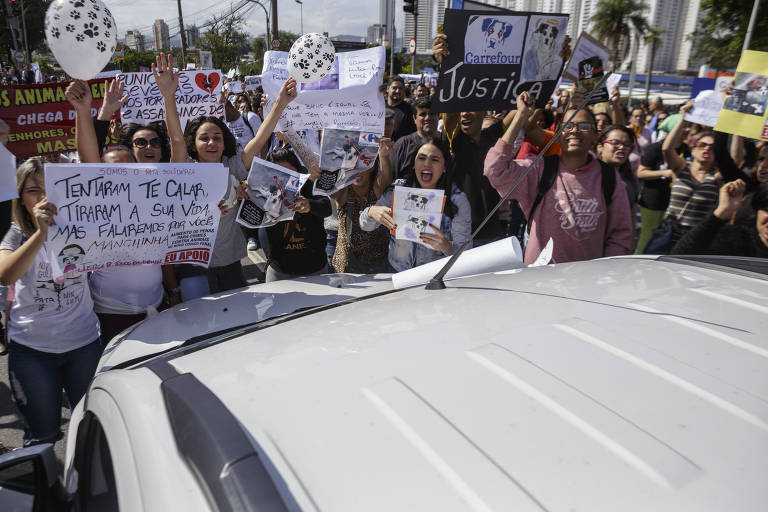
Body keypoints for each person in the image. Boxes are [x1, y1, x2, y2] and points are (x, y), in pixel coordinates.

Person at [0, 158, 102, 446]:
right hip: (32, 351)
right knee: (42, 435)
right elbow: (6, 274)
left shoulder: (83, 224)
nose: (43, 198)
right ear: (20, 198)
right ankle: (49, 489)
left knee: (91, 430)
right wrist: (41, 234)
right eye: (33, 190)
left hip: (83, 345)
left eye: (51, 188)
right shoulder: (14, 233)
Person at [171, 77, 299, 297]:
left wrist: (280, 103)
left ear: (224, 141)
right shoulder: (184, 170)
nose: (211, 143)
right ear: (193, 143)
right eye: (204, 138)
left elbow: (259, 140)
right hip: (195, 265)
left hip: (231, 263)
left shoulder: (232, 166)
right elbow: (176, 140)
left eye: (217, 137)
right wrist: (168, 96)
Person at [484, 92, 633, 264]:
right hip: (539, 283)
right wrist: (521, 115)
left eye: (584, 125)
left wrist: (603, 271)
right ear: (558, 135)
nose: (575, 131)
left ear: (594, 136)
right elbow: (494, 170)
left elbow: (620, 235)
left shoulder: (608, 177)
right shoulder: (539, 169)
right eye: (568, 126)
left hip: (587, 283)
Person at [360, 137, 471, 272]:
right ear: (414, 164)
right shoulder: (398, 190)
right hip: (397, 272)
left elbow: (466, 253)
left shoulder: (457, 200)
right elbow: (365, 226)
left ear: (444, 167)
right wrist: (371, 212)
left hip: (436, 276)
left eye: (434, 159)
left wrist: (447, 247)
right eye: (422, 158)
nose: (427, 164)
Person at [261, 148, 332, 281]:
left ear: (298, 171)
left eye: (289, 172)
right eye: (278, 173)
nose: (284, 178)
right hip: (280, 271)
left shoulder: (309, 183)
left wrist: (310, 205)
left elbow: (327, 208)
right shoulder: (263, 190)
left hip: (315, 269)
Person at [661, 100, 723, 244]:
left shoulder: (717, 176)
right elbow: (666, 148)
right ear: (693, 149)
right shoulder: (681, 167)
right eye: (702, 145)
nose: (707, 149)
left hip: (697, 238)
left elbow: (736, 160)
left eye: (712, 147)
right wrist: (684, 118)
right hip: (669, 234)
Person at [671, 180, 768, 258]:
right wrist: (721, 213)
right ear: (756, 212)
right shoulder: (738, 240)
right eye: (766, 210)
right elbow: (679, 256)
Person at [388, 96, 439, 180]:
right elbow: (388, 178)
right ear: (414, 118)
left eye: (432, 113)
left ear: (438, 116)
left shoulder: (447, 142)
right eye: (422, 114)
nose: (428, 118)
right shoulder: (402, 145)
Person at [386, 76, 416, 140]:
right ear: (388, 88)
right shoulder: (379, 106)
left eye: (400, 88)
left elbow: (412, 135)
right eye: (394, 88)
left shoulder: (409, 110)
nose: (397, 91)